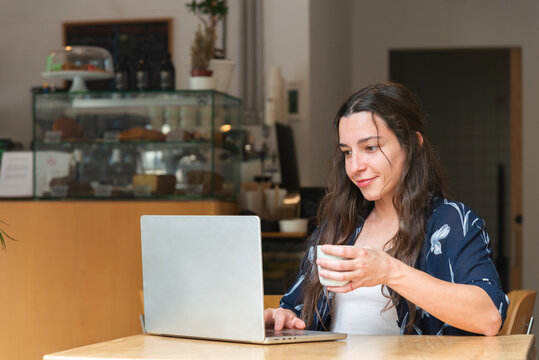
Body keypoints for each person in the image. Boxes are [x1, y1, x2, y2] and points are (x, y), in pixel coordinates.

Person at [264, 81, 508, 336]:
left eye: (370, 147)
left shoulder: (450, 222)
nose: (355, 166)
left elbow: (489, 317)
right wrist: (285, 317)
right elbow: (296, 307)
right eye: (347, 152)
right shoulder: (339, 226)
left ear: (413, 146)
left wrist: (389, 271)